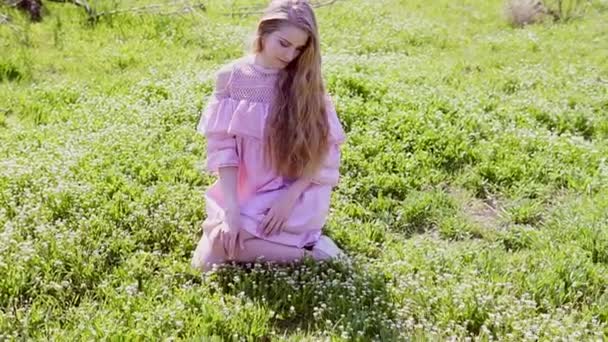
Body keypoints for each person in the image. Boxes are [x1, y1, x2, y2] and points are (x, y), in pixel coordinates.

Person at [191, 0, 346, 272]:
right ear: (263, 33)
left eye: (299, 48)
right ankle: (304, 251)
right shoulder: (231, 77)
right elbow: (223, 150)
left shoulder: (306, 83)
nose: (290, 55)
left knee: (219, 247)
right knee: (203, 264)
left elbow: (325, 149)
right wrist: (232, 210)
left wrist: (289, 197)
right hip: (247, 188)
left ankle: (317, 256)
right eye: (284, 43)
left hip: (294, 190)